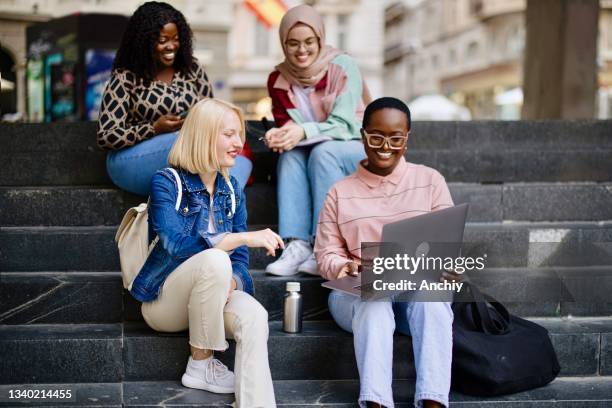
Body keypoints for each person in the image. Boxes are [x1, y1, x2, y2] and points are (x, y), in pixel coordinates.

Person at [131, 98, 282, 407]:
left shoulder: (232, 190)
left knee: (255, 316)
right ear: (203, 135)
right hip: (165, 302)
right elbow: (175, 244)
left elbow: (239, 262)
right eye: (228, 134)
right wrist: (239, 238)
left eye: (239, 133)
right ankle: (200, 363)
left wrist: (232, 283)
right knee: (214, 258)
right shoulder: (167, 182)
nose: (238, 142)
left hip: (211, 298)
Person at [315, 97, 460, 408]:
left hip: (413, 293)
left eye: (396, 138)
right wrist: (343, 268)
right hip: (356, 294)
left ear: (406, 138)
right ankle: (376, 402)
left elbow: (445, 245)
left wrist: (447, 266)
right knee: (375, 301)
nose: (386, 145)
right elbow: (326, 253)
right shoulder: (340, 191)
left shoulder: (430, 180)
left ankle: (434, 401)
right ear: (363, 134)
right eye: (376, 136)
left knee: (432, 298)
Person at [97, 1, 253, 196]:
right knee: (188, 141)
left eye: (176, 39)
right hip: (130, 161)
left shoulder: (192, 70)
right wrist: (153, 128)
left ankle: (213, 218)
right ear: (144, 41)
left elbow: (213, 117)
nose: (171, 46)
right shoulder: (126, 77)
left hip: (189, 158)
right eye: (163, 40)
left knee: (241, 164)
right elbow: (106, 135)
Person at [264, 4, 370, 276]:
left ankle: (326, 245)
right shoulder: (278, 78)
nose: (302, 50)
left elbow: (345, 124)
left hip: (351, 144)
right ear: (283, 44)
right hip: (310, 148)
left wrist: (303, 131)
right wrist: (278, 135)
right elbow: (286, 122)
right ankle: (297, 245)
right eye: (293, 43)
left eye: (309, 42)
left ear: (320, 39)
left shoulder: (342, 66)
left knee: (324, 152)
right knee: (289, 156)